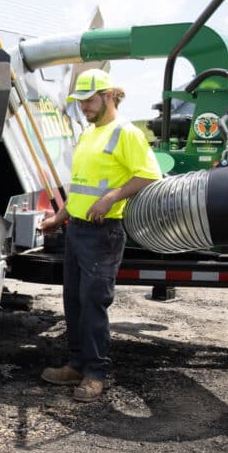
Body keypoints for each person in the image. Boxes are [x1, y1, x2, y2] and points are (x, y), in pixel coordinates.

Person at [38, 68, 162, 402]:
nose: (83, 107)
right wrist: (58, 218)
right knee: (74, 301)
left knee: (94, 303)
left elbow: (150, 175)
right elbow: (80, 188)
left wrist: (112, 198)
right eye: (79, 102)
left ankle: (95, 373)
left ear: (108, 95)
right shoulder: (89, 134)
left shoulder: (126, 133)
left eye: (88, 100)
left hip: (103, 233)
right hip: (76, 229)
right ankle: (76, 365)